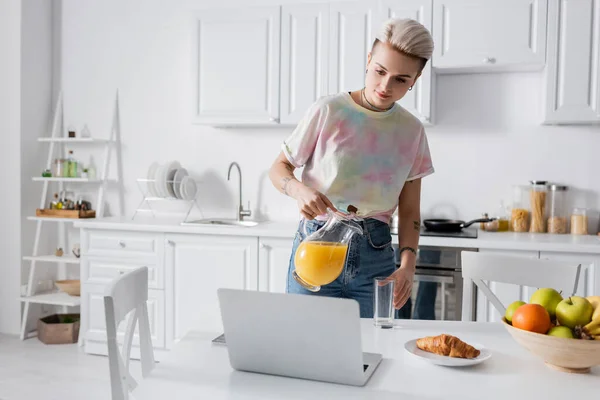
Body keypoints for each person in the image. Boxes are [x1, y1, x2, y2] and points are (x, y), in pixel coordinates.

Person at [268, 18, 435, 318]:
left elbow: (409, 210)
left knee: (374, 353)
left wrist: (408, 265)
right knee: (306, 346)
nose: (385, 86)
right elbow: (279, 168)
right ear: (368, 61)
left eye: (400, 79)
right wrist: (298, 190)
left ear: (415, 80)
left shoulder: (412, 131)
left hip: (377, 257)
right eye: (380, 72)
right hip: (317, 244)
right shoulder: (328, 110)